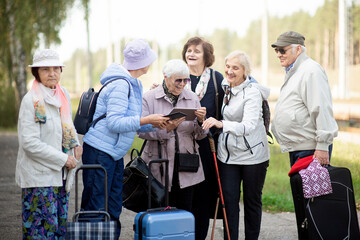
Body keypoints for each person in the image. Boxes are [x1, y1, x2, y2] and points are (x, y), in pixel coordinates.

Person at [80, 39, 169, 238]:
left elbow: (132, 122)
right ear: (142, 62)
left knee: (113, 206)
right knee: (97, 207)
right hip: (100, 152)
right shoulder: (121, 84)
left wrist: (156, 123)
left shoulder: (134, 83)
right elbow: (115, 123)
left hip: (114, 152)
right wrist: (147, 119)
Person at [202, 50, 270, 240]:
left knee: (251, 202)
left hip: (253, 156)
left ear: (245, 71)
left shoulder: (253, 93)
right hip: (228, 156)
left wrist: (220, 123)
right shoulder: (225, 86)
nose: (230, 71)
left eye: (235, 68)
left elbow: (248, 126)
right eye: (228, 66)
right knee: (228, 202)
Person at [16, 49, 83, 238]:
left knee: (59, 230)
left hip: (61, 177)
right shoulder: (32, 100)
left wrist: (75, 144)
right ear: (36, 73)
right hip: (40, 178)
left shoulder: (63, 95)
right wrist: (63, 159)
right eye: (45, 69)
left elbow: (66, 125)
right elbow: (29, 143)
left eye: (56, 68)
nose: (52, 73)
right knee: (40, 232)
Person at [138, 59, 208, 212]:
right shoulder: (148, 98)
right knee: (159, 212)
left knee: (185, 211)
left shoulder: (192, 97)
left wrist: (202, 122)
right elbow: (140, 130)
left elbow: (200, 135)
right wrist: (166, 129)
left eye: (185, 80)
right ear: (165, 77)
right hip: (158, 164)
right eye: (178, 80)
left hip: (186, 164)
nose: (182, 84)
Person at [270, 31, 338, 167]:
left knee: (311, 189)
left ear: (298, 49)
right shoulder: (295, 71)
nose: (278, 54)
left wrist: (322, 145)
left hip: (310, 149)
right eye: (277, 50)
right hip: (300, 147)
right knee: (300, 188)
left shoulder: (311, 71)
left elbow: (321, 109)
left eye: (282, 50)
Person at [182, 36, 225, 239]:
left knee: (203, 197)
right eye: (188, 50)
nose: (191, 54)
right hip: (182, 146)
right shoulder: (178, 78)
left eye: (196, 51)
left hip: (207, 147)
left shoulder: (217, 80)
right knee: (183, 196)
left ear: (206, 56)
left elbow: (226, 111)